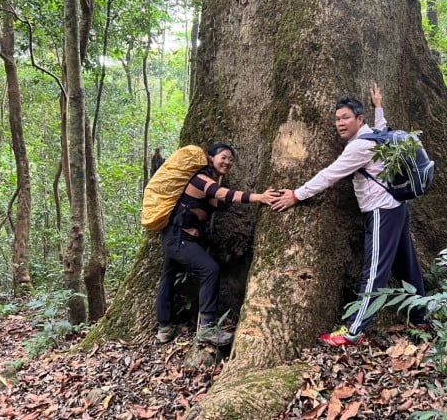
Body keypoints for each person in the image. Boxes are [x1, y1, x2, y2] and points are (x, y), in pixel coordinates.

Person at [272, 84, 427, 346]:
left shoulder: (358, 147)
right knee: (407, 266)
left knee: (374, 272)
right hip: (397, 208)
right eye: (337, 119)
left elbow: (329, 175)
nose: (339, 123)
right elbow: (383, 127)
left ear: (359, 120)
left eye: (345, 118)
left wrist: (296, 195)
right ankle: (421, 316)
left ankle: (354, 330)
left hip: (381, 213)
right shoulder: (375, 136)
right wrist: (379, 106)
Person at [156, 143, 279, 345]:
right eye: (223, 157)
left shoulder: (208, 182)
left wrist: (220, 182)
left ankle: (164, 327)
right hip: (180, 239)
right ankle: (206, 330)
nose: (228, 162)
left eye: (231, 159)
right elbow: (224, 194)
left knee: (168, 278)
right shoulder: (200, 179)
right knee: (210, 269)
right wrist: (260, 197)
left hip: (178, 238)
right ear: (210, 157)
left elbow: (219, 203)